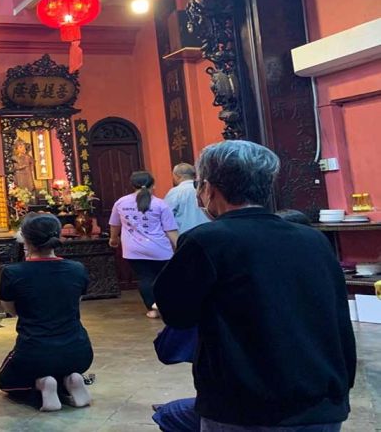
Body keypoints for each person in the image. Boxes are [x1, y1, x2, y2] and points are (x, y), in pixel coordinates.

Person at [154, 140, 356, 431]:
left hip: (246, 405)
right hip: (321, 400)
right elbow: (338, 318)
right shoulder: (313, 240)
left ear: (209, 189)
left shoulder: (206, 241)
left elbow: (177, 314)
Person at [151, 207, 317, 432]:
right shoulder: (317, 279)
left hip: (253, 409)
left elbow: (169, 349)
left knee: (167, 415)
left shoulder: (229, 281)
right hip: (318, 406)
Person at [0, 213, 94, 412]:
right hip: (79, 353)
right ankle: (71, 379)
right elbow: (75, 303)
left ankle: (42, 385)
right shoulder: (77, 269)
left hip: (34, 352)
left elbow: (12, 311)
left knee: (7, 380)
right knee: (59, 363)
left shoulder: (13, 272)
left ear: (25, 239)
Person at [108, 171, 179, 318]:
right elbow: (170, 229)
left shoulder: (121, 203)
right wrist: (179, 245)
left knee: (144, 278)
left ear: (132, 185)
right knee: (164, 278)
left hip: (133, 250)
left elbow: (115, 225)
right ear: (153, 185)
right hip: (160, 249)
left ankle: (152, 310)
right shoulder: (160, 204)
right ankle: (166, 307)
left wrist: (113, 239)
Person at [164, 163, 210, 234]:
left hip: (186, 234)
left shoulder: (175, 192)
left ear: (177, 176)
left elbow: (166, 215)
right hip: (208, 230)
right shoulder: (205, 189)